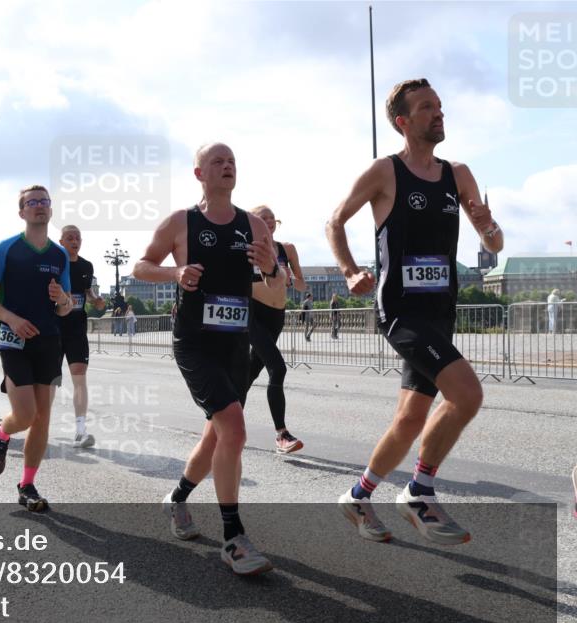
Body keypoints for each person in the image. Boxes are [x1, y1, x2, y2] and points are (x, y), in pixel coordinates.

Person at [326, 78, 504, 545]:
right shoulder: (385, 172)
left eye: (441, 105)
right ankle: (420, 491)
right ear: (404, 122)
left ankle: (358, 495)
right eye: (427, 108)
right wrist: (348, 271)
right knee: (467, 394)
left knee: (409, 419)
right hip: (401, 312)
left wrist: (489, 229)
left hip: (441, 312)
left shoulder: (457, 174)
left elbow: (494, 243)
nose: (439, 113)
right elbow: (335, 221)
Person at [133, 142, 282, 575]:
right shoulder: (182, 222)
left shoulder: (253, 225)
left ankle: (177, 499)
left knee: (217, 435)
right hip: (194, 342)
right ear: (199, 173)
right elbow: (140, 267)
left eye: (232, 160)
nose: (227, 166)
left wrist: (273, 267)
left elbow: (275, 291)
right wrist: (174, 273)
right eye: (217, 161)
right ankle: (233, 538)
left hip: (236, 344)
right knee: (234, 427)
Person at [0, 185, 72, 512]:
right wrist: (11, 318)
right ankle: (1, 432)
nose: (39, 206)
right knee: (26, 414)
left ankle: (27, 484)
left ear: (50, 209)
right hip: (13, 340)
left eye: (44, 201)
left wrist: (62, 299)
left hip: (48, 341)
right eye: (32, 202)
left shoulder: (59, 255)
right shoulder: (5, 250)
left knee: (43, 417)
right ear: (22, 212)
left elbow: (66, 307)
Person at [243, 205, 308, 455]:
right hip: (253, 314)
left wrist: (292, 279)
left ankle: (222, 425)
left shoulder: (287, 249)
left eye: (272, 218)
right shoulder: (248, 249)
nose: (268, 221)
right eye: (262, 218)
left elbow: (302, 286)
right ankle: (282, 434)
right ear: (253, 223)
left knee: (248, 374)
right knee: (277, 367)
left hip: (276, 316)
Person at [58, 225, 107, 448]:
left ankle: (80, 431)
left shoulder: (87, 266)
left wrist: (96, 299)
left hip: (77, 328)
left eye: (78, 237)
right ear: (61, 241)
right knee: (49, 380)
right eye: (70, 237)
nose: (75, 240)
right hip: (54, 327)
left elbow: (87, 292)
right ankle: (36, 423)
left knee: (79, 376)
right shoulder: (55, 263)